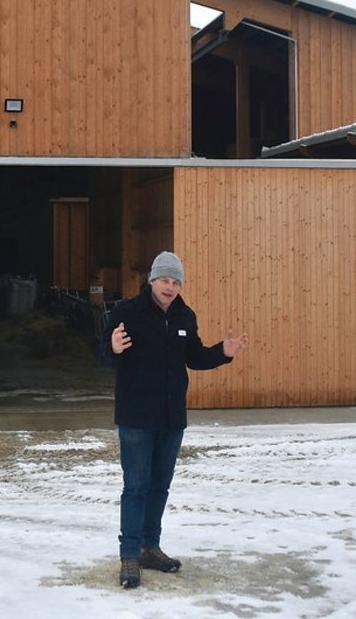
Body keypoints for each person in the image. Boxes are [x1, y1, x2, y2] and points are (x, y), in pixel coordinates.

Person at [97, 251, 249, 589]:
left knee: (159, 486)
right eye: (165, 280)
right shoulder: (128, 313)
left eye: (176, 282)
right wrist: (113, 348)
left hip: (171, 417)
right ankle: (130, 555)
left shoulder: (185, 316)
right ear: (152, 280)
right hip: (137, 417)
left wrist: (222, 352)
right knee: (136, 487)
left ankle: (150, 548)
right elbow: (102, 355)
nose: (170, 287)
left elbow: (194, 357)